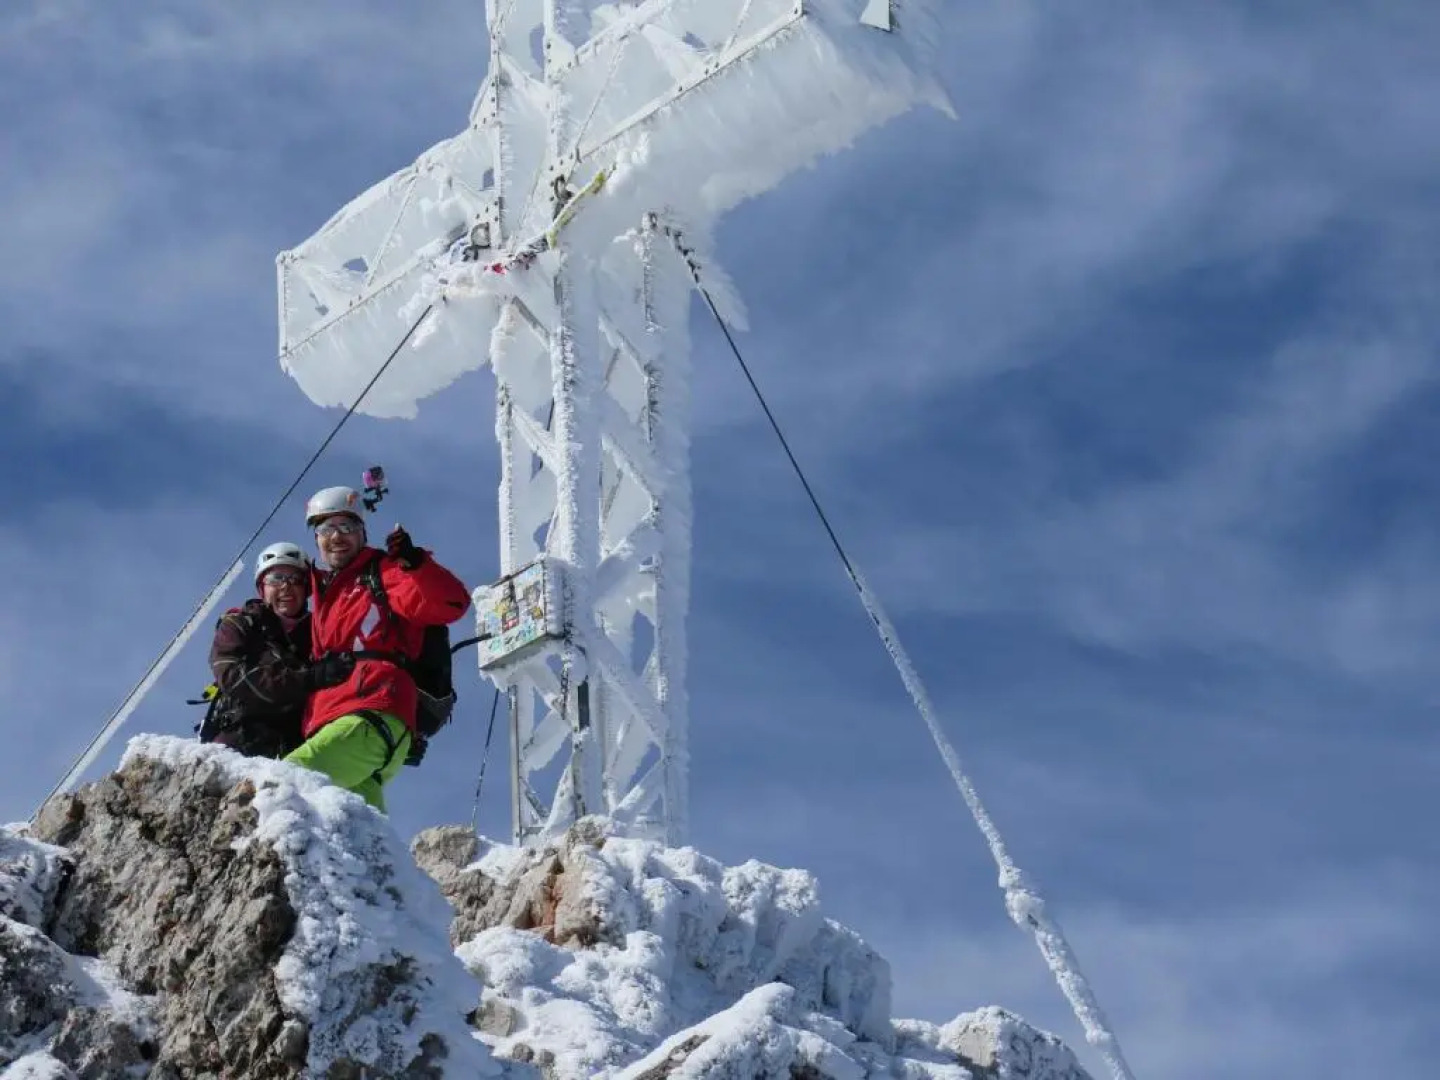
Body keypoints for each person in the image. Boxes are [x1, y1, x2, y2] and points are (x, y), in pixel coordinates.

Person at [283, 485, 471, 811]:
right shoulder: (322, 595)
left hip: (371, 713)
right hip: (339, 721)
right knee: (356, 836)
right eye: (327, 528)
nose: (337, 536)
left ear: (362, 533)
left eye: (347, 527)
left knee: (284, 783)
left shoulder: (383, 573)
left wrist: (415, 565)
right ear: (315, 538)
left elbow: (450, 603)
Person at [204, 542, 352, 759]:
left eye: (295, 579)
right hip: (237, 743)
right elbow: (232, 675)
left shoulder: (321, 635)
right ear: (262, 587)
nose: (286, 586)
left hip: (297, 750)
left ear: (307, 588)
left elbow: (353, 674)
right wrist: (308, 679)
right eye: (276, 578)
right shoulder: (240, 625)